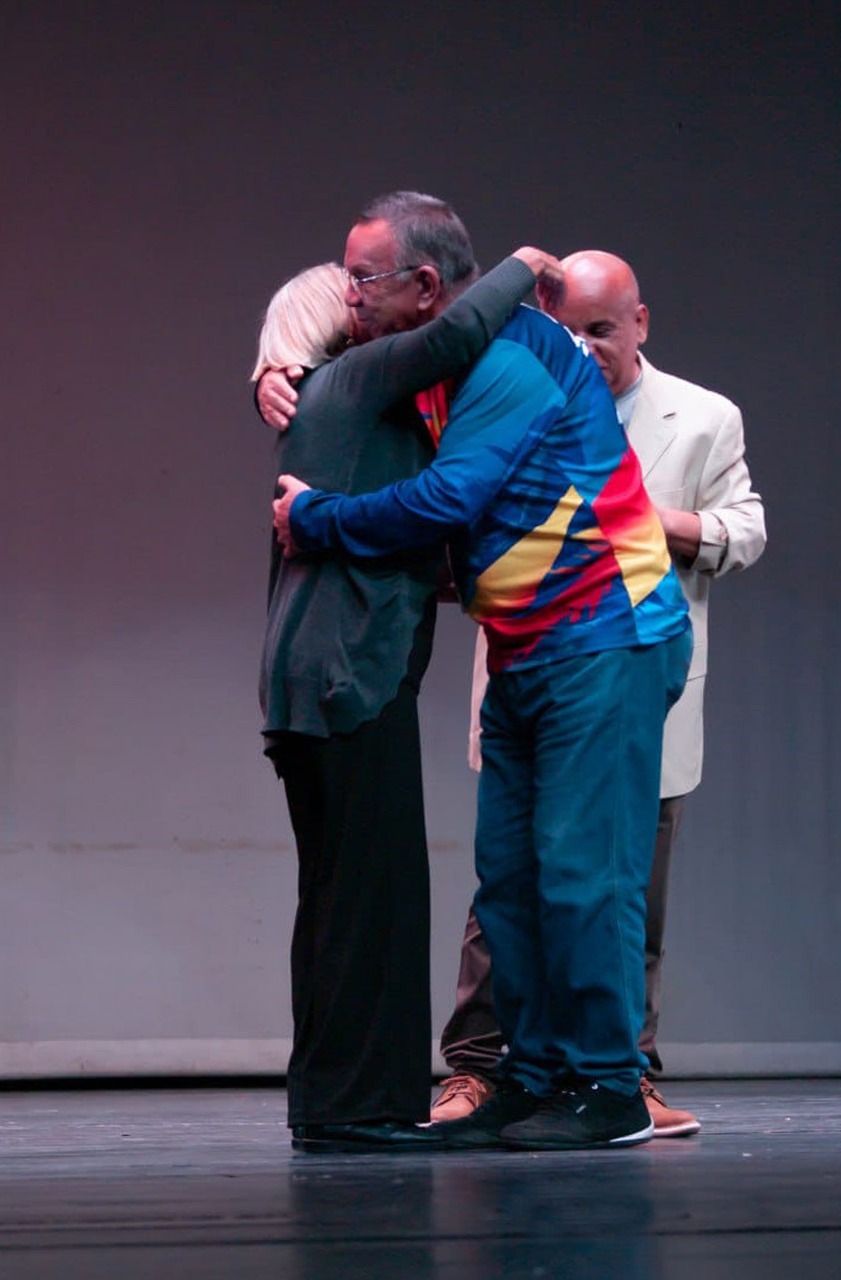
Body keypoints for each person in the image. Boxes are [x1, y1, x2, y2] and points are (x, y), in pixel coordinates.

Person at [273, 190, 693, 1152]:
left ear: (426, 286)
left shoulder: (512, 357)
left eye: (363, 278)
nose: (347, 293)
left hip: (608, 636)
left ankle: (607, 1086)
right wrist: (275, 364)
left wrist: (315, 517)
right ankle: (531, 1078)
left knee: (584, 872)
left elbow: (446, 499)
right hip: (528, 646)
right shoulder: (437, 362)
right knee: (511, 877)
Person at [432, 250, 767, 1137]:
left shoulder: (700, 417)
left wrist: (644, 522)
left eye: (602, 329)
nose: (584, 346)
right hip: (533, 665)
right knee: (513, 885)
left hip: (628, 669)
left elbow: (746, 529)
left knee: (613, 891)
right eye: (567, 328)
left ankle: (618, 1081)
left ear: (640, 323)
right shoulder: (515, 388)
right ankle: (499, 1071)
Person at [253, 221, 560, 1153]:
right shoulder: (352, 380)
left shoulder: (328, 401)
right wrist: (526, 263)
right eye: (347, 291)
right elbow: (455, 332)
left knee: (341, 900)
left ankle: (333, 1105)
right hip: (345, 676)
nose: (361, 302)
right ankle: (363, 1109)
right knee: (371, 903)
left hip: (317, 677)